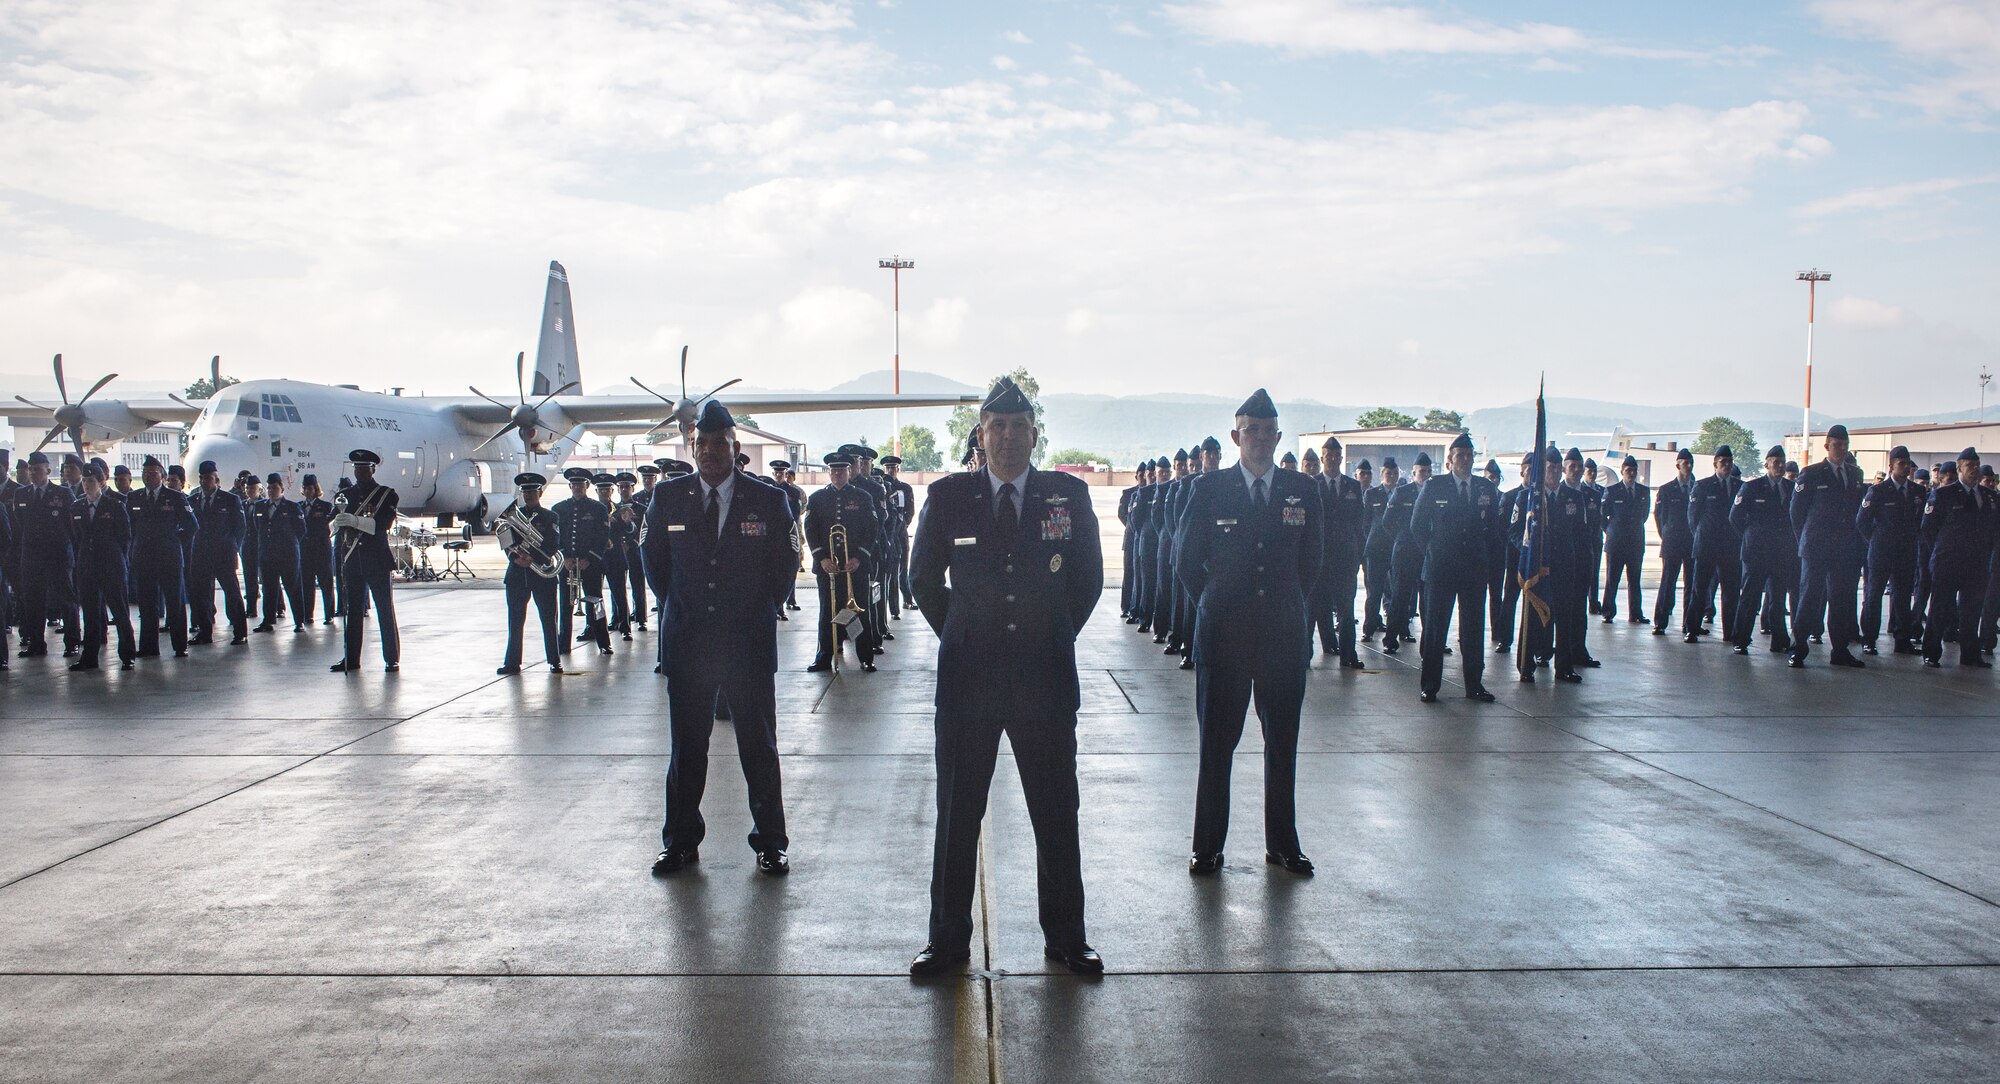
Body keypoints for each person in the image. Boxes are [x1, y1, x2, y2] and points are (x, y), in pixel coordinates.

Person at [906, 376, 1102, 978]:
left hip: (1044, 680)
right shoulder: (947, 497)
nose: (1009, 438)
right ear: (981, 434)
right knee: (958, 813)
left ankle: (1067, 938)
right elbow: (921, 581)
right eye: (998, 427)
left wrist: (1054, 633)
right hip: (969, 682)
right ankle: (946, 942)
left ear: (1034, 435)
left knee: (1055, 811)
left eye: (1020, 427)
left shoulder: (1065, 496)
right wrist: (964, 633)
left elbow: (1088, 580)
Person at [645, 401, 800, 877]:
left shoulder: (769, 500)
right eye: (702, 444)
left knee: (758, 748)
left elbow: (786, 564)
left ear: (736, 448)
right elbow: (655, 567)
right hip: (689, 644)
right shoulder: (668, 498)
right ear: (693, 448)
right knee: (686, 750)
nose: (710, 452)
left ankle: (770, 843)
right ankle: (681, 842)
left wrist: (755, 610)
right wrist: (684, 609)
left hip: (746, 645)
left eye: (720, 444)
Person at [1177, 388, 1322, 877]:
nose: (1259, 439)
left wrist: (1288, 608)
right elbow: (1184, 560)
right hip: (1223, 638)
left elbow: (1311, 565)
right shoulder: (1208, 489)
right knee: (1216, 745)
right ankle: (1207, 846)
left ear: (1278, 437)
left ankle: (1283, 844)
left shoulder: (1302, 490)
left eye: (1267, 431)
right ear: (1236, 436)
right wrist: (1215, 605)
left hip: (1283, 638)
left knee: (1283, 743)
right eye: (1250, 431)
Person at [1411, 432, 1501, 701]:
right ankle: (1430, 686)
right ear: (1450, 460)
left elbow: (1494, 530)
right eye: (1459, 455)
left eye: (1469, 455)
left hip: (1474, 570)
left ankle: (1474, 685)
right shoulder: (1435, 485)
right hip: (1441, 569)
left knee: (1473, 630)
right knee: (1436, 630)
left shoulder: (1486, 488)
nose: (1464, 459)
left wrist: (1487, 561)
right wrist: (1433, 552)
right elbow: (1417, 526)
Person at [1788, 425, 1869, 669]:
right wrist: (1805, 540)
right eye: (1837, 445)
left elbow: (1856, 512)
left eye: (1845, 445)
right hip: (1816, 548)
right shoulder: (1811, 473)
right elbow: (1796, 512)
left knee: (1841, 600)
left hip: (1844, 549)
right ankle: (1798, 648)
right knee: (1809, 599)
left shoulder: (1855, 474)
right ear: (1827, 446)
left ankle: (1840, 650)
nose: (1841, 450)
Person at [804, 453, 878, 672]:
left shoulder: (863, 497)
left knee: (859, 611)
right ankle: (824, 656)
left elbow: (872, 530)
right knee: (827, 611)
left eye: (841, 471)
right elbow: (810, 530)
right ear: (829, 472)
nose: (837, 475)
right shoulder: (817, 498)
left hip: (855, 566)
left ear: (849, 471)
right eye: (833, 471)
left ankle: (865, 656)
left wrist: (859, 557)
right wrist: (822, 558)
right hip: (828, 567)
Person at [1921, 448, 1994, 668]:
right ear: (1959, 468)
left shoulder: (1989, 496)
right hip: (1948, 562)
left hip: (1977, 564)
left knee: (1971, 611)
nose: (1974, 470)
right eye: (1969, 466)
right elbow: (1928, 529)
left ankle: (1970, 654)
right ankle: (1931, 653)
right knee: (1940, 609)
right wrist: (1942, 552)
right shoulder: (1944, 494)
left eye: (1976, 465)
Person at [330, 449, 401, 673]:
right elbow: (333, 525)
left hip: (377, 560)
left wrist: (354, 520)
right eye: (357, 468)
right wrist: (337, 523)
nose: (360, 472)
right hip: (352, 559)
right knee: (352, 611)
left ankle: (391, 657)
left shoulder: (386, 494)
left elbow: (381, 525)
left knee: (384, 610)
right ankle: (351, 658)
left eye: (364, 468)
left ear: (373, 469)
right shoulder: (344, 495)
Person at [8, 451, 79, 658]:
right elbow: (21, 524)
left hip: (57, 554)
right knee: (33, 601)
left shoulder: (62, 494)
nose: (33, 473)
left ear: (48, 471)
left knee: (66, 599)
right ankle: (37, 644)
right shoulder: (21, 494)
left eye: (37, 469)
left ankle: (72, 642)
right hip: (32, 556)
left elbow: (71, 524)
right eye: (31, 470)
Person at [66, 464, 136, 671]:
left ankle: (127, 655)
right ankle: (89, 657)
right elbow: (75, 537)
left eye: (91, 482)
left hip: (111, 565)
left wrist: (118, 560)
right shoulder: (77, 507)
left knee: (119, 610)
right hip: (88, 566)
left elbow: (125, 537)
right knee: (90, 613)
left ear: (101, 482)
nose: (87, 486)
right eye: (85, 481)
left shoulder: (114, 506)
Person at [1728, 447, 1797, 656]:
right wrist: (1750, 537)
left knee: (1777, 599)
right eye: (1774, 462)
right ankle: (1740, 639)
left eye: (1781, 462)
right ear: (1766, 464)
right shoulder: (1752, 487)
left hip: (1780, 553)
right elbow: (1735, 518)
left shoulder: (1791, 488)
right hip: (1756, 553)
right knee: (1750, 598)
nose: (1778, 465)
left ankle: (1779, 640)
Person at [126, 456, 196, 659]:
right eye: (145, 473)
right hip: (144, 558)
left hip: (169, 558)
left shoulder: (174, 497)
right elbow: (129, 526)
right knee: (147, 605)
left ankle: (180, 645)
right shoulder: (135, 498)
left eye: (153, 473)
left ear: (162, 476)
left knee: (174, 603)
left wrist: (173, 541)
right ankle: (148, 647)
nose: (148, 476)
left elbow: (192, 526)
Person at [1857, 445, 1923, 656]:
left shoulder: (1917, 492)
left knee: (1903, 597)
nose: (1905, 468)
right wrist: (1875, 541)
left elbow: (1921, 522)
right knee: (1874, 595)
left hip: (1906, 552)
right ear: (1891, 466)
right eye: (1901, 464)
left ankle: (1902, 639)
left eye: (1907, 464)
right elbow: (1862, 521)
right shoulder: (1878, 491)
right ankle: (1869, 640)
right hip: (1881, 552)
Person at [496, 473, 563, 676]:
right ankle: (512, 662)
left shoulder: (550, 517)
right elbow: (506, 541)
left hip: (542, 575)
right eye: (525, 492)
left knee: (548, 619)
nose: (528, 495)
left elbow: (554, 544)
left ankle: (554, 660)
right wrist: (515, 557)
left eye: (532, 491)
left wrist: (531, 557)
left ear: (540, 492)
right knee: (515, 620)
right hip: (517, 574)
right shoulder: (514, 516)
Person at [1314, 436, 1366, 668]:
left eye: (1337, 457)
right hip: (1318, 559)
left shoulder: (1353, 486)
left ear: (1341, 459)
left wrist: (1358, 557)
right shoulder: (1311, 485)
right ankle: (1303, 656)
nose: (1333, 460)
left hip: (1345, 559)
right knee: (1313, 609)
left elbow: (1359, 525)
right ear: (1322, 458)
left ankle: (1348, 655)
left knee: (1346, 611)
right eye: (1329, 457)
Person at [552, 466, 612, 656]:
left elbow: (603, 536)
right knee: (565, 606)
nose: (577, 487)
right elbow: (555, 537)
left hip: (590, 566)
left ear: (587, 485)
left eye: (581, 484)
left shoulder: (598, 509)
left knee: (596, 603)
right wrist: (564, 557)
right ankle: (564, 644)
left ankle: (604, 642)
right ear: (570, 486)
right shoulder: (559, 509)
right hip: (568, 566)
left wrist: (590, 559)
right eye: (574, 484)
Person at [188, 460, 248, 646]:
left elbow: (240, 528)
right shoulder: (193, 500)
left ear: (216, 479)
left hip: (223, 555)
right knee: (202, 596)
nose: (205, 481)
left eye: (208, 478)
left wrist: (232, 547)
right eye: (202, 478)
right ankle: (205, 633)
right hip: (201, 555)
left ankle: (240, 633)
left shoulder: (230, 499)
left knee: (233, 594)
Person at [1686, 446, 1741, 643]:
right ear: (1715, 464)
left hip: (1730, 547)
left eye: (1729, 461)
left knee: (1731, 591)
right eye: (1723, 462)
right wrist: (1701, 536)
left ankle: (1730, 632)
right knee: (1700, 589)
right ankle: (1692, 629)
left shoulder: (1739, 486)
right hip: (1706, 545)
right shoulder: (1703, 485)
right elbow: (1693, 518)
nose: (1727, 465)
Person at [1379, 453, 1428, 654]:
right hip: (1404, 552)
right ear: (1414, 472)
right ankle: (1390, 639)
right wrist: (1401, 538)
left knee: (1427, 600)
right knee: (1400, 597)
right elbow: (1387, 522)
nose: (1424, 475)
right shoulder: (1402, 492)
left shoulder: (1433, 491)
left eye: (1427, 471)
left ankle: (1431, 642)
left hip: (1425, 554)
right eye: (1421, 471)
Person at [253, 473, 306, 634]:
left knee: (293, 588)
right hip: (267, 555)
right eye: (269, 488)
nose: (271, 491)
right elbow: (258, 527)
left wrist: (290, 544)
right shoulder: (260, 506)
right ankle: (268, 620)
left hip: (287, 555)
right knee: (269, 589)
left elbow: (301, 530)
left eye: (275, 487)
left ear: (282, 489)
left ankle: (299, 621)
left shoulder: (291, 507)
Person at [1651, 448, 1697, 636]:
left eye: (1690, 463)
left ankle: (1689, 624)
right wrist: (1666, 535)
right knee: (1667, 583)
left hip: (1692, 542)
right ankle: (1660, 622)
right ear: (1677, 465)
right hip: (1672, 542)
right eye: (1684, 463)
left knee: (1691, 584)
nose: (1688, 466)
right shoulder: (1667, 489)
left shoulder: (1698, 487)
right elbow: (1659, 517)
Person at [1599, 457, 1649, 622]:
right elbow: (1602, 515)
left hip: (1635, 542)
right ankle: (1608, 612)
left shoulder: (1643, 491)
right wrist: (1611, 531)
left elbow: (1644, 515)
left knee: (1634, 580)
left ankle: (1635, 614)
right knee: (1612, 579)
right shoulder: (1612, 490)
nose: (1632, 474)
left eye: (1634, 470)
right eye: (1628, 470)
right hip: (1616, 543)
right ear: (1622, 472)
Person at [298, 475, 338, 626]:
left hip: (321, 550)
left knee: (326, 583)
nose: (308, 491)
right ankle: (308, 614)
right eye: (306, 489)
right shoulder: (299, 506)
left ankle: (329, 614)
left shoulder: (326, 506)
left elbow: (329, 526)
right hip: (305, 551)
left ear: (316, 490)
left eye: (310, 489)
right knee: (306, 584)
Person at [881, 455, 918, 612]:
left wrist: (903, 524)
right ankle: (890, 605)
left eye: (893, 468)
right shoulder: (880, 486)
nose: (890, 470)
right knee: (888, 570)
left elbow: (910, 510)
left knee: (903, 565)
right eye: (888, 467)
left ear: (897, 469)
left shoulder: (905, 487)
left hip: (900, 531)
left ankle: (907, 598)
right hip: (885, 531)